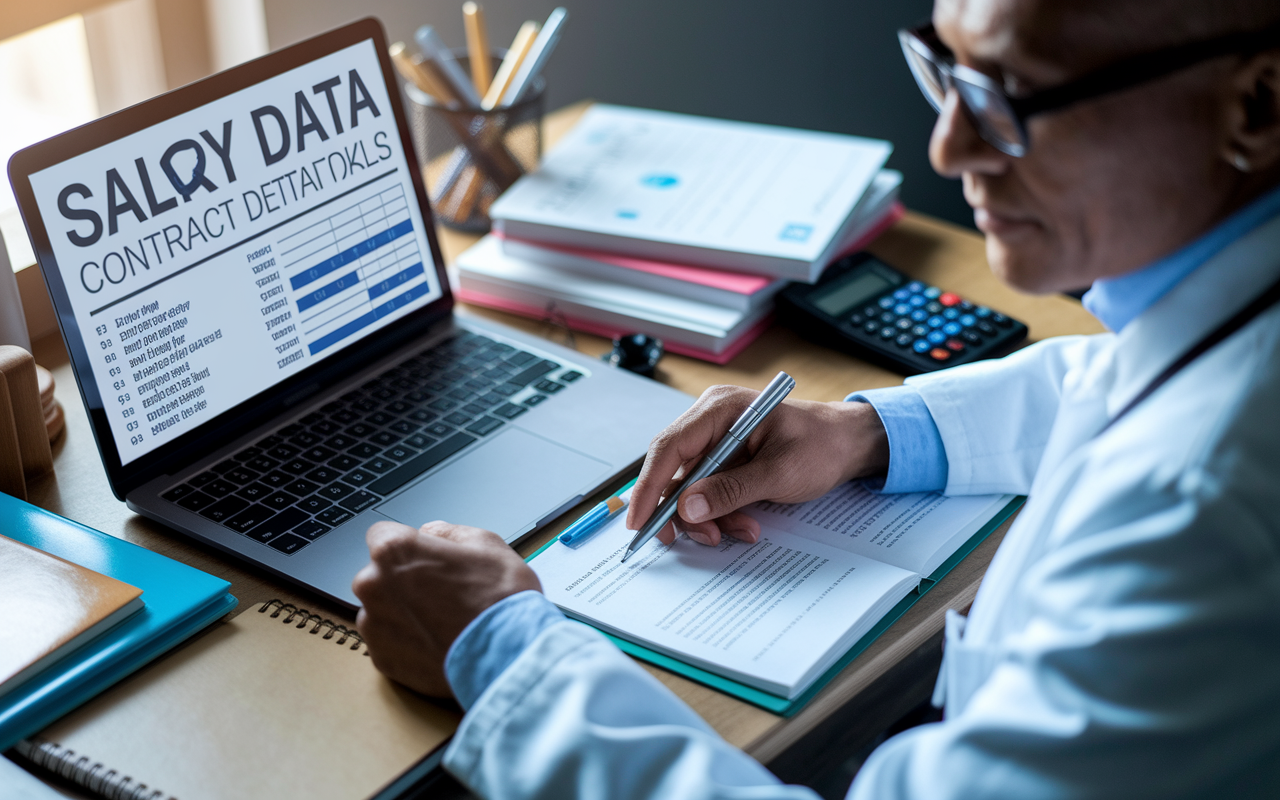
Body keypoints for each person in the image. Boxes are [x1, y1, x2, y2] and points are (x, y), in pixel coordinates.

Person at [352, 0, 1280, 796]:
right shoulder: (1226, 308)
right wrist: (863, 430)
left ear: (1258, 105)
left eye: (1008, 98)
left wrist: (507, 655)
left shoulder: (1208, 517)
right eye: (945, 69)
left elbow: (1175, 449)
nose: (948, 144)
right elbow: (1115, 379)